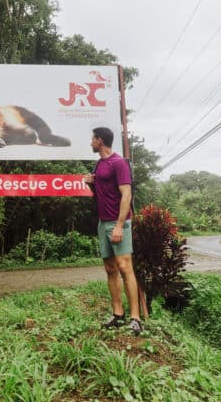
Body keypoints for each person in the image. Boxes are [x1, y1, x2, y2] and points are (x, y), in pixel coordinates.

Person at [84, 127, 142, 336]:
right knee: (110, 269)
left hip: (119, 223)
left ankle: (135, 318)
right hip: (103, 223)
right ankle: (118, 314)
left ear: (100, 141)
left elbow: (126, 195)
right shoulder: (99, 164)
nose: (90, 142)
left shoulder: (119, 163)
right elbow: (101, 194)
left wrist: (119, 225)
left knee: (125, 267)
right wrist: (91, 184)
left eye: (92, 139)